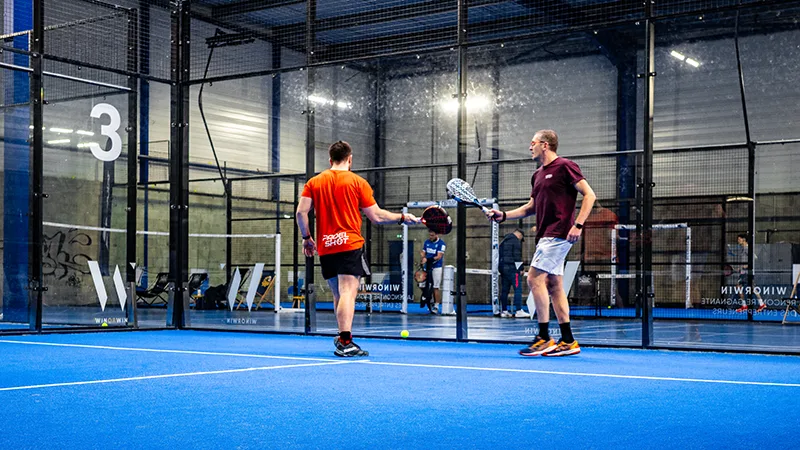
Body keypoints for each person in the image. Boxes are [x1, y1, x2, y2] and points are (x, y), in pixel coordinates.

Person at [296, 141, 420, 357]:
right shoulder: (357, 182)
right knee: (347, 293)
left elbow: (301, 213)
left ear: (330, 159)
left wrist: (307, 238)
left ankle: (342, 335)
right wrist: (402, 217)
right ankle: (345, 341)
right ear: (350, 159)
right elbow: (377, 216)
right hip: (348, 244)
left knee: (338, 294)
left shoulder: (314, 182)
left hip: (326, 248)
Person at [486, 130, 596, 357]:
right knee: (555, 285)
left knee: (533, 278)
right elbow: (530, 208)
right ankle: (568, 341)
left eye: (533, 143)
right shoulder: (537, 175)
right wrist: (503, 215)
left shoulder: (566, 166)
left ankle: (544, 337)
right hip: (545, 235)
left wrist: (578, 224)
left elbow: (589, 195)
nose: (530, 147)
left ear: (545, 145)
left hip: (559, 233)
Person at [498, 228, 530, 318]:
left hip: (503, 269)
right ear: (520, 235)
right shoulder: (515, 241)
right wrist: (521, 269)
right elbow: (517, 256)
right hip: (513, 269)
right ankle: (518, 310)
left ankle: (504, 311)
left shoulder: (503, 241)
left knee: (504, 290)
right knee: (517, 289)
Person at [731, 233, 766, 313]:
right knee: (750, 287)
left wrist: (746, 265)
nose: (738, 240)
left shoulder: (747, 248)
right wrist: (740, 268)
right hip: (744, 272)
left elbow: (754, 258)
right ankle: (760, 304)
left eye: (739, 239)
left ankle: (746, 305)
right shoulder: (743, 249)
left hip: (747, 273)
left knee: (740, 286)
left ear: (743, 239)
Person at [420, 230, 446, 314]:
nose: (430, 237)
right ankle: (428, 298)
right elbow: (423, 252)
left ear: (436, 235)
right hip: (427, 267)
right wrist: (423, 257)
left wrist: (428, 259)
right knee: (422, 284)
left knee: (436, 287)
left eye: (432, 235)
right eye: (430, 235)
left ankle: (436, 306)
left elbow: (438, 257)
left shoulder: (441, 244)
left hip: (436, 267)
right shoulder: (427, 242)